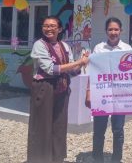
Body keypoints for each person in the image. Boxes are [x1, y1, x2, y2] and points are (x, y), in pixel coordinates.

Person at [28, 16, 89, 163]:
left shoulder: (65, 46)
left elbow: (70, 70)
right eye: (46, 25)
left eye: (52, 26)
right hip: (44, 88)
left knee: (59, 124)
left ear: (60, 29)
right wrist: (78, 62)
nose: (49, 28)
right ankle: (40, 159)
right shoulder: (39, 45)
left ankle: (57, 158)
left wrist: (82, 64)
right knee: (42, 125)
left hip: (62, 88)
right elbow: (50, 69)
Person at [85, 17, 132, 163]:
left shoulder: (127, 49)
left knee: (118, 130)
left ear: (121, 31)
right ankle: (97, 158)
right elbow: (92, 71)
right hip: (101, 94)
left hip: (120, 95)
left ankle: (116, 159)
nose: (113, 32)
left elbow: (131, 73)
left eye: (116, 29)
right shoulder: (99, 48)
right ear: (106, 31)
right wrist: (88, 92)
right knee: (99, 130)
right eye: (110, 29)